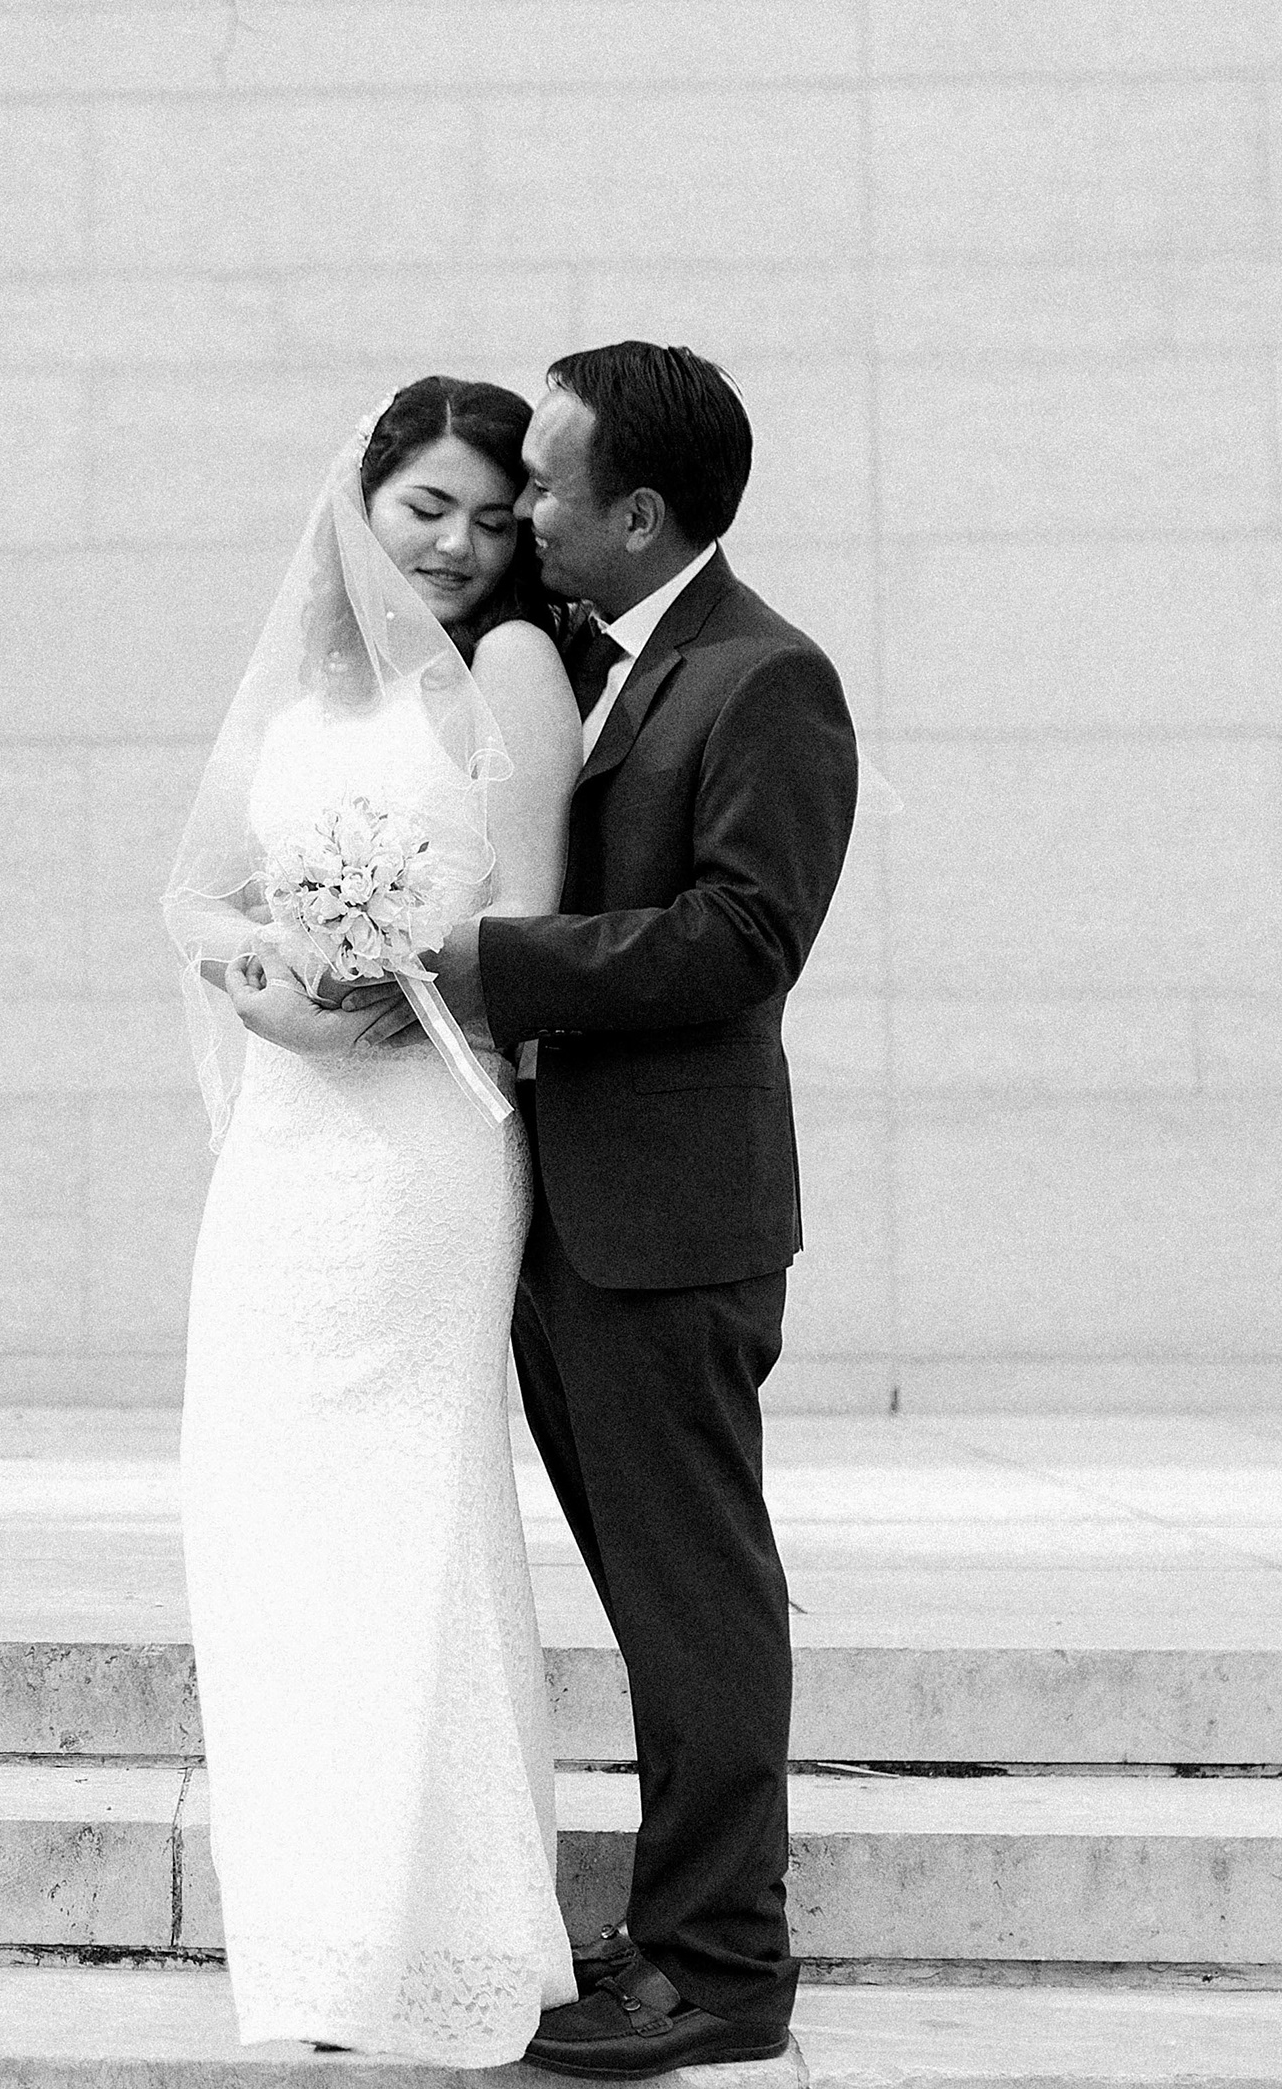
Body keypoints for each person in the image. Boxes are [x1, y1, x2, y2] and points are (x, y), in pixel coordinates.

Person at [423, 340, 859, 2079]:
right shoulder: (588, 657)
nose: (522, 509)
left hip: (673, 1229)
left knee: (698, 1604)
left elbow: (747, 937)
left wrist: (493, 962)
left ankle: (723, 1970)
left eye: (548, 485)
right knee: (655, 1602)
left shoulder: (766, 679)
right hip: (573, 1224)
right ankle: (677, 1930)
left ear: (641, 514)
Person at [161, 375, 586, 2067]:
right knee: (266, 1512)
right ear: (362, 499)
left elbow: (534, 921)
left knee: (407, 1514)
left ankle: (444, 1934)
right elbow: (194, 894)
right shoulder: (298, 690)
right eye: (430, 507)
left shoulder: (514, 665)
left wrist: (392, 991)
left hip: (426, 1144)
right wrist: (270, 974)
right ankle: (312, 1939)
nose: (463, 545)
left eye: (493, 516)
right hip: (284, 1150)